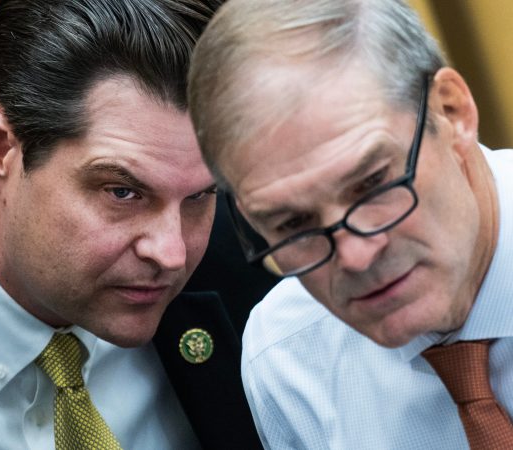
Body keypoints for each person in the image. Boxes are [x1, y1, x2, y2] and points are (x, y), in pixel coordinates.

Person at [0, 0, 278, 448]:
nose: (172, 254)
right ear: (0, 147)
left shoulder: (257, 265)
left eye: (200, 195)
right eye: (122, 192)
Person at [188, 0, 513, 448]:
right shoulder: (288, 357)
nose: (356, 256)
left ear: (451, 113)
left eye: (372, 185)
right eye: (294, 224)